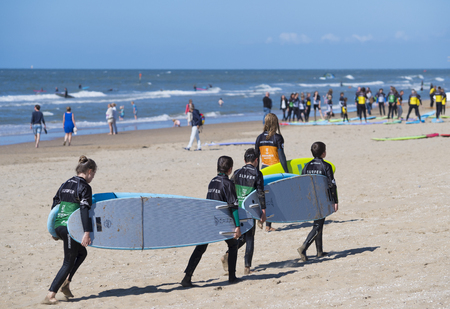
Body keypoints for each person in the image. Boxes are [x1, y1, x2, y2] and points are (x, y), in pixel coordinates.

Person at [42, 155, 96, 305]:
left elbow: (55, 205)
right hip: (69, 229)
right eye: (93, 174)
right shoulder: (84, 186)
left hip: (59, 226)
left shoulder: (65, 183)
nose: (93, 178)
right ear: (89, 171)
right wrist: (87, 233)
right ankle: (50, 295)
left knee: (82, 253)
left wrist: (53, 229)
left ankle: (66, 282)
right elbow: (85, 210)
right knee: (68, 262)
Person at [181, 156, 242, 287]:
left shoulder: (212, 181)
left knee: (200, 248)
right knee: (233, 245)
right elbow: (233, 206)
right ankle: (232, 277)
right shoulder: (228, 183)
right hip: (221, 221)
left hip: (209, 220)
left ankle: (187, 277)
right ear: (230, 169)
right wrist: (237, 226)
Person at [221, 148, 267, 275]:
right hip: (249, 210)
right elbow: (261, 193)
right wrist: (263, 211)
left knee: (242, 236)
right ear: (256, 160)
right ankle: (247, 267)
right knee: (250, 237)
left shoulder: (236, 172)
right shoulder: (257, 174)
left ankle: (228, 254)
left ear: (244, 160)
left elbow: (230, 190)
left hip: (237, 209)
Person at [298, 142, 338, 262]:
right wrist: (335, 201)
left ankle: (319, 251)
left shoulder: (307, 166)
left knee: (318, 222)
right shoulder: (326, 166)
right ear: (323, 153)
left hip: (310, 199)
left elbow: (302, 183)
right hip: (322, 199)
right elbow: (332, 184)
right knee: (318, 225)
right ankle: (303, 247)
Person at [255, 113, 288, 232]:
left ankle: (264, 221)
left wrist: (256, 172)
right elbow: (282, 157)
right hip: (275, 170)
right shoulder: (277, 138)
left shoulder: (259, 138)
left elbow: (256, 158)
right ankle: (268, 225)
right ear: (275, 123)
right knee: (274, 198)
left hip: (264, 169)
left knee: (266, 196)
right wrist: (287, 172)